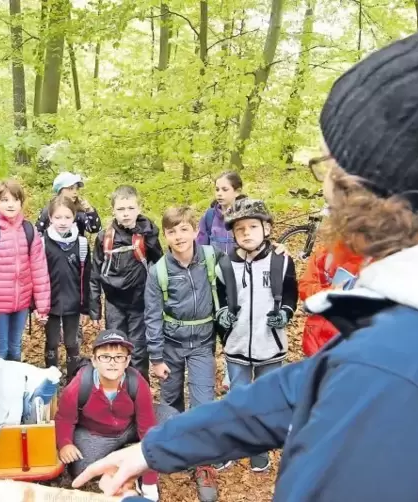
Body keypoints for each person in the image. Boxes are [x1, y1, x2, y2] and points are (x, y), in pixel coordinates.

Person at [72, 24, 418, 502]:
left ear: (370, 188)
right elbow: (303, 388)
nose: (324, 187)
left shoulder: (392, 378)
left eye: (329, 168)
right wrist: (154, 449)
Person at [143, 206, 236, 502]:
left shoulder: (212, 258)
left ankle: (203, 462)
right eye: (172, 231)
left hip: (202, 343)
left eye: (184, 229)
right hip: (170, 344)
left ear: (195, 230)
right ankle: (177, 449)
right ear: (165, 236)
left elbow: (246, 262)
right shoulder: (158, 270)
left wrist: (278, 250)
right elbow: (152, 316)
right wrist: (156, 358)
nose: (179, 236)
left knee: (203, 400)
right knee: (170, 401)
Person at [221, 198, 298, 472]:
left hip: (270, 344)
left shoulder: (281, 260)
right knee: (237, 397)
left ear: (267, 228)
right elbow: (220, 297)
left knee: (266, 398)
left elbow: (291, 293)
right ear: (232, 233)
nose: (247, 233)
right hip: (237, 343)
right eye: (240, 229)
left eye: (253, 226)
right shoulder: (226, 264)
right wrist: (223, 316)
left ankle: (259, 445)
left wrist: (286, 312)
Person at [54, 330, 175, 501]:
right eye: (105, 357)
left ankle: (134, 463)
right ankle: (123, 454)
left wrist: (149, 480)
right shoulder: (79, 386)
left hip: (130, 425)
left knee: (172, 419)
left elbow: (146, 428)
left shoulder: (137, 383)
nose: (112, 363)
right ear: (94, 361)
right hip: (96, 433)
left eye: (119, 357)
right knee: (81, 468)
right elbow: (64, 418)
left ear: (127, 362)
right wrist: (65, 443)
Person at [89, 185, 162, 381]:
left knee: (139, 351)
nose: (126, 213)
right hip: (114, 303)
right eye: (121, 209)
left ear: (139, 209)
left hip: (140, 302)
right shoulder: (105, 237)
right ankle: (117, 390)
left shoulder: (148, 233)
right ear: (113, 210)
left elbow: (161, 266)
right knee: (116, 350)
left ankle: (139, 395)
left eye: (130, 208)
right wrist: (94, 309)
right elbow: (95, 273)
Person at [0, 180, 50, 362]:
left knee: (15, 349)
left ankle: (15, 388)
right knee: (0, 350)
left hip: (22, 302)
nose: (11, 204)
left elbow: (39, 268)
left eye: (15, 199)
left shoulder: (28, 229)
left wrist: (42, 305)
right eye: (5, 200)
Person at [42, 195, 90, 378]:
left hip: (73, 302)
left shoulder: (82, 243)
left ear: (74, 217)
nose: (63, 222)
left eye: (67, 217)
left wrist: (86, 307)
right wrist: (37, 305)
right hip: (50, 302)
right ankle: (51, 379)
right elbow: (38, 275)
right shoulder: (43, 242)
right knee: (52, 341)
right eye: (58, 217)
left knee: (72, 342)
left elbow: (87, 276)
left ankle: (72, 381)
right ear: (50, 217)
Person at [298, 241, 364, 357]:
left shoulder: (379, 263)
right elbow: (305, 288)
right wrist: (329, 292)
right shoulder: (326, 253)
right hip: (314, 342)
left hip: (348, 350)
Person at [36, 172, 102, 237]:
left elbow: (94, 229)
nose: (75, 192)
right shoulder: (48, 210)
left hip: (77, 247)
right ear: (60, 190)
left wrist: (90, 211)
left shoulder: (79, 212)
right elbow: (38, 234)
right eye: (71, 189)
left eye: (77, 189)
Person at [196, 171, 245, 254]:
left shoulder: (246, 216)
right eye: (217, 189)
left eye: (225, 190)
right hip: (214, 266)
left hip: (238, 265)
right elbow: (200, 247)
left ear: (237, 192)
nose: (219, 194)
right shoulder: (209, 216)